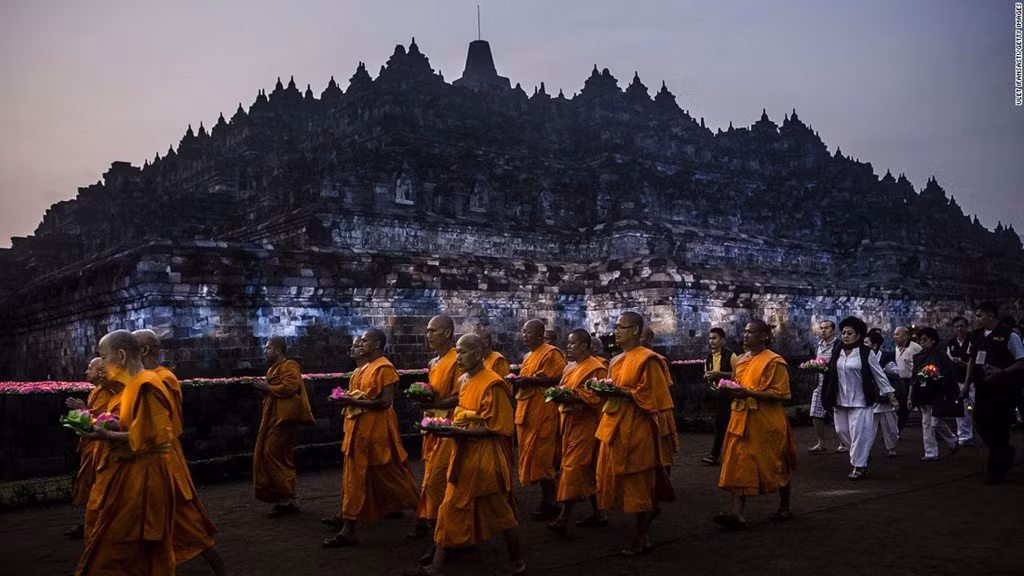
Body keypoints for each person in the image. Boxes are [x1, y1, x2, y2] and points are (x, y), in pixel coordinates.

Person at [412, 334, 524, 576]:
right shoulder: (464, 380)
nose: (458, 357)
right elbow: (461, 415)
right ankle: (436, 565)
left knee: (502, 515)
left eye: (462, 352)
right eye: (458, 352)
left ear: (477, 353)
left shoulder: (493, 384)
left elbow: (501, 427)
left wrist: (457, 430)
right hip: (462, 453)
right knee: (450, 507)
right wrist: (450, 428)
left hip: (484, 458)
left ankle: (517, 562)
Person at [75, 330, 176, 576]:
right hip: (128, 475)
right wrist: (106, 425)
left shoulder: (147, 385)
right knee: (125, 552)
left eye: (104, 357)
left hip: (144, 479)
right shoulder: (131, 387)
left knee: (117, 550)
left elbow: (151, 440)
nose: (102, 365)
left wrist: (105, 435)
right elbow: (133, 427)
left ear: (120, 356)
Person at [134, 329, 226, 575]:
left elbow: (161, 427)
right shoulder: (143, 378)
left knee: (187, 523)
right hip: (145, 458)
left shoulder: (161, 379)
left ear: (143, 351)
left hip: (162, 459)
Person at [324, 328, 420, 547]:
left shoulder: (385, 368)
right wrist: (347, 400)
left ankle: (425, 514)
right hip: (357, 431)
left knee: (393, 477)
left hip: (377, 433)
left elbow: (385, 403)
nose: (360, 344)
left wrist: (353, 402)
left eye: (365, 341)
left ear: (377, 345)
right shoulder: (362, 370)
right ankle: (348, 527)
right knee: (354, 479)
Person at [594, 312, 675, 556]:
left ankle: (642, 535)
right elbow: (613, 388)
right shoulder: (616, 360)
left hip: (639, 426)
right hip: (616, 423)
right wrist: (604, 390)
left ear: (637, 330)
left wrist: (621, 392)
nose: (616, 331)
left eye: (622, 327)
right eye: (616, 327)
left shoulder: (649, 359)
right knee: (615, 476)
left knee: (638, 479)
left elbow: (654, 397)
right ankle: (648, 512)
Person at [714, 320, 798, 529]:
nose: (746, 335)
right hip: (741, 418)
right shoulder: (741, 360)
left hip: (766, 421)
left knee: (776, 462)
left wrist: (749, 393)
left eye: (751, 332)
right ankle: (737, 513)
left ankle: (784, 506)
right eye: (745, 332)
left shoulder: (774, 361)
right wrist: (727, 389)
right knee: (738, 462)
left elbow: (781, 395)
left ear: (764, 337)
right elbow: (737, 384)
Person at [547, 329, 608, 535]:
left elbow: (596, 397)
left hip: (586, 425)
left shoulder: (596, 368)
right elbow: (563, 387)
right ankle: (599, 512)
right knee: (586, 469)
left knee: (572, 468)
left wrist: (570, 397)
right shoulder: (570, 367)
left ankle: (564, 516)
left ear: (584, 346)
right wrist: (559, 394)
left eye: (572, 344)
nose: (568, 347)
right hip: (569, 423)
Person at [408, 316, 463, 538]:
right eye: (427, 331)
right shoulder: (433, 363)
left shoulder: (457, 360)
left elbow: (461, 395)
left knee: (438, 478)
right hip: (432, 424)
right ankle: (432, 521)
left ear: (448, 333)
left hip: (449, 425)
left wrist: (437, 403)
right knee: (429, 472)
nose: (428, 335)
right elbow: (435, 391)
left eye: (433, 331)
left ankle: (447, 529)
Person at [822, 317, 896, 480]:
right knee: (841, 431)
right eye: (843, 333)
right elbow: (830, 371)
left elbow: (880, 375)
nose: (845, 336)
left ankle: (859, 466)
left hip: (861, 400)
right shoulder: (837, 351)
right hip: (840, 400)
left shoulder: (866, 353)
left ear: (858, 335)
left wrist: (890, 395)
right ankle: (861, 455)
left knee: (859, 434)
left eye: (850, 333)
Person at [252, 336, 315, 515]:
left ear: (278, 350)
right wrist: (264, 390)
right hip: (272, 417)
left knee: (273, 454)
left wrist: (269, 388)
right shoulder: (273, 369)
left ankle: (288, 497)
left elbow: (290, 387)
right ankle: (283, 497)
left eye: (268, 348)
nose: (265, 351)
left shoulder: (289, 366)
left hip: (283, 420)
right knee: (270, 454)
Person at [964, 302, 1024, 484]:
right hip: (983, 388)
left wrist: (1003, 371)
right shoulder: (976, 336)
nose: (977, 319)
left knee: (999, 428)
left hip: (1003, 390)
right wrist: (967, 384)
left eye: (980, 315)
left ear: (991, 316)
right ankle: (1004, 453)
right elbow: (972, 361)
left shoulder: (1009, 335)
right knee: (981, 423)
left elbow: (1021, 361)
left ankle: (996, 470)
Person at [515, 319, 568, 520]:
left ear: (539, 334)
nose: (524, 335)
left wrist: (530, 380)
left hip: (545, 411)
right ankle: (549, 499)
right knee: (534, 456)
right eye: (523, 331)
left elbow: (559, 378)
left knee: (543, 458)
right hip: (529, 410)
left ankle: (551, 500)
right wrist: (523, 381)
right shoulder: (529, 356)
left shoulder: (551, 353)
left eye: (528, 332)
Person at [64, 358, 117, 540]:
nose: (86, 371)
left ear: (101, 371)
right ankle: (91, 521)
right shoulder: (97, 391)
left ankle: (99, 522)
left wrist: (83, 409)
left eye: (90, 368)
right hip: (91, 445)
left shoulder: (108, 393)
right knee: (90, 484)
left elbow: (103, 423)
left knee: (99, 485)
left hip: (100, 445)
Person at [908, 327, 960, 461]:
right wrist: (911, 395)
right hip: (923, 392)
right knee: (926, 422)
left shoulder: (941, 355)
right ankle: (930, 452)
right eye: (920, 340)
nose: (922, 342)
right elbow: (914, 377)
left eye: (925, 340)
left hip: (938, 391)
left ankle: (952, 439)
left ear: (933, 340)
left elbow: (948, 373)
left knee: (935, 422)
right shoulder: (918, 356)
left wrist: (935, 375)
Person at [701, 328, 739, 466]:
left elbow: (737, 375)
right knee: (720, 425)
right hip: (718, 395)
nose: (711, 341)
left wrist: (718, 374)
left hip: (730, 395)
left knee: (729, 425)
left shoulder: (731, 356)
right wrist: (708, 375)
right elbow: (707, 372)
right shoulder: (709, 357)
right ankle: (716, 455)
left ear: (722, 340)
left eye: (714, 338)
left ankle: (720, 455)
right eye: (710, 338)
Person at [865, 332, 900, 457]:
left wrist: (881, 371)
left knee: (890, 425)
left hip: (884, 396)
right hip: (871, 397)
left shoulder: (886, 357)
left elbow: (896, 372)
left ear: (874, 345)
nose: (864, 345)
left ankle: (892, 446)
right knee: (868, 426)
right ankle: (865, 449)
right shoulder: (862, 357)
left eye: (866, 343)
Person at [808, 320, 839, 453]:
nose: (823, 331)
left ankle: (844, 442)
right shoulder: (819, 345)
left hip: (834, 384)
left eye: (826, 328)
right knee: (815, 412)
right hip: (820, 384)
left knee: (838, 414)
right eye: (821, 328)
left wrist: (827, 367)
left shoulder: (838, 345)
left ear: (833, 330)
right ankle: (821, 442)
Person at [946, 316, 974, 445]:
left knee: (974, 407)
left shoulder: (972, 341)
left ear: (967, 327)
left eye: (962, 326)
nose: (959, 329)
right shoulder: (951, 344)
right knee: (961, 408)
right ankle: (963, 435)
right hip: (958, 379)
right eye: (956, 326)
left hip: (973, 380)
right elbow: (948, 360)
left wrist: (962, 362)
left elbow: (971, 360)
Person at [893, 326, 922, 431]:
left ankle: (936, 432)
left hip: (913, 381)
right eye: (894, 335)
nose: (895, 337)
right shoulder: (895, 348)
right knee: (902, 409)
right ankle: (897, 431)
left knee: (921, 406)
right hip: (901, 382)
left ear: (906, 336)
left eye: (897, 334)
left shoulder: (915, 348)